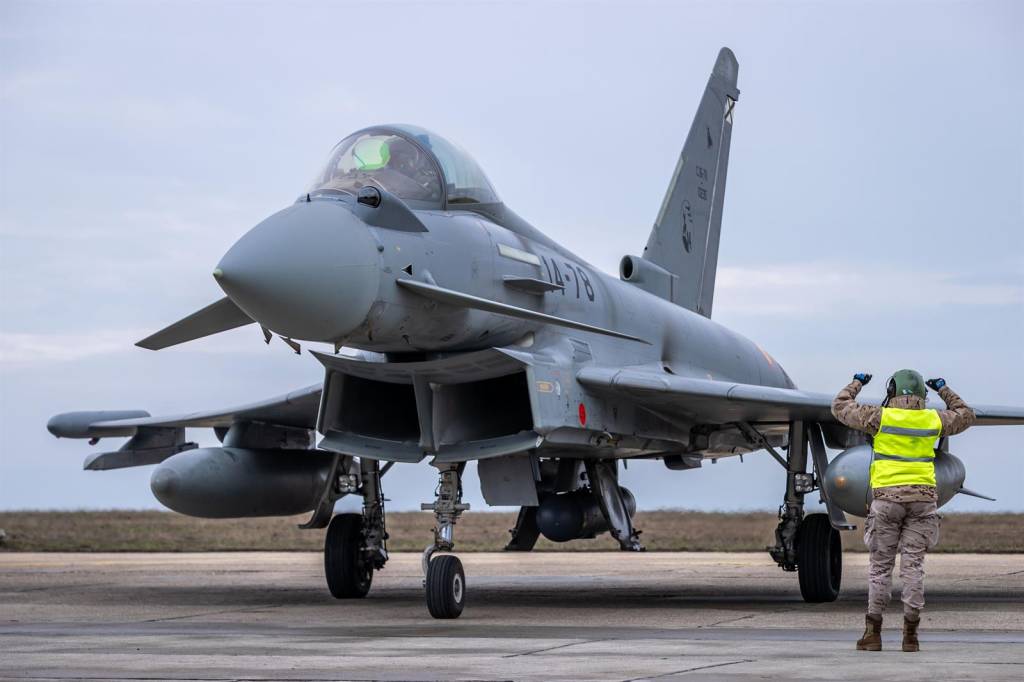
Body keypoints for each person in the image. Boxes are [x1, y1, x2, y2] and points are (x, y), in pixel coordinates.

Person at [831, 369, 975, 652]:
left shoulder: (879, 417)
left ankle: (872, 634)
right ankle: (911, 636)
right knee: (913, 566)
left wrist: (857, 383)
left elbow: (839, 407)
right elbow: (965, 415)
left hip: (886, 501)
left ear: (892, 391)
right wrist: (944, 389)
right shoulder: (932, 420)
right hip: (923, 501)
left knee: (880, 568)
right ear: (922, 393)